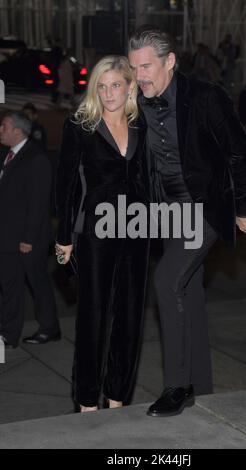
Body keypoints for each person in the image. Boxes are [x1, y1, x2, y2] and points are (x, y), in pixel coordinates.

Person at [128, 26, 246, 418]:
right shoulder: (138, 102)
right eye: (135, 68)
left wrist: (245, 207)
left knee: (167, 282)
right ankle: (202, 384)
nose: (140, 76)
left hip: (205, 207)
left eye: (147, 66)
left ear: (170, 62)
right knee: (190, 292)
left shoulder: (205, 97)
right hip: (167, 214)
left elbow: (242, 153)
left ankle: (177, 386)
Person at [55, 56, 149, 412]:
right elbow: (65, 187)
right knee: (92, 317)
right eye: (102, 85)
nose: (108, 93)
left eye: (115, 85)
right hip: (96, 232)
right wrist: (64, 237)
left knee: (130, 318)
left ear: (129, 87)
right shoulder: (81, 125)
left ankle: (117, 397)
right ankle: (86, 401)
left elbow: (152, 178)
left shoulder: (143, 125)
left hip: (137, 232)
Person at [0, 112, 60, 348]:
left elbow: (38, 204)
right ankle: (8, 332)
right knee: (10, 285)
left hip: (28, 238)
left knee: (37, 282)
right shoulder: (7, 155)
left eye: (3, 127)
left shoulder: (36, 159)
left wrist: (28, 238)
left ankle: (50, 328)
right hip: (7, 236)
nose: (0, 131)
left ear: (17, 131)